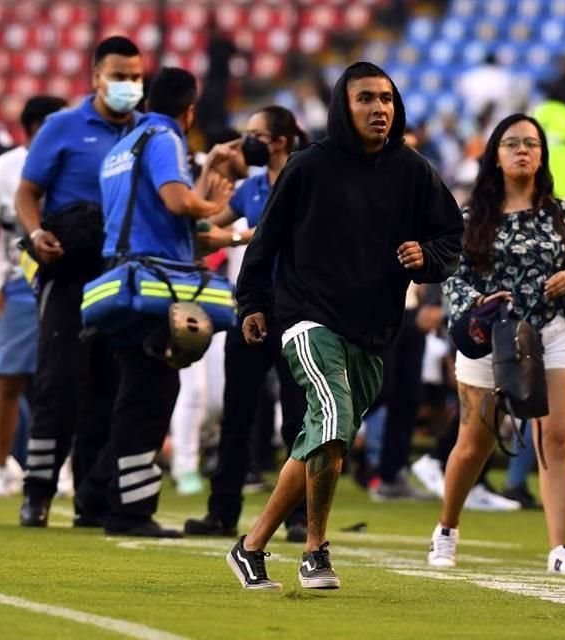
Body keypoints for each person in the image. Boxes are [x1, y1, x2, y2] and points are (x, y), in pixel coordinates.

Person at [227, 61, 463, 590]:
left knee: (322, 438)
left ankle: (250, 546)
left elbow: (452, 236)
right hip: (307, 317)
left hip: (372, 329)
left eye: (387, 99)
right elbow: (266, 241)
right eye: (366, 99)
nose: (380, 109)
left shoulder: (413, 169)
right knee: (331, 420)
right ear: (342, 105)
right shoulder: (309, 166)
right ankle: (315, 549)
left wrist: (424, 256)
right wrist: (254, 303)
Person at [427, 113, 565, 575]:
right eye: (513, 144)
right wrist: (477, 302)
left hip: (549, 331)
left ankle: (560, 548)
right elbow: (453, 279)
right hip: (491, 334)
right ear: (495, 156)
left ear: (543, 155)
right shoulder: (470, 215)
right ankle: (446, 528)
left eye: (532, 144)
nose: (524, 151)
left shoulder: (561, 214)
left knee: (555, 435)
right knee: (473, 443)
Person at [93, 66, 231, 537]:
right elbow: (175, 201)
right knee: (151, 396)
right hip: (153, 285)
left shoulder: (120, 147)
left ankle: (108, 496)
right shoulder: (164, 139)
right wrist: (211, 205)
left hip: (120, 278)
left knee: (131, 391)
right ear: (188, 110)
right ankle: (130, 511)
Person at [15, 36, 143, 527]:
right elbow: (28, 192)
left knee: (110, 387)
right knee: (59, 384)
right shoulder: (62, 127)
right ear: (95, 76)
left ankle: (93, 499)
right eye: (119, 75)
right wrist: (36, 231)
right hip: (68, 272)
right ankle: (38, 491)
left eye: (135, 77)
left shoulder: (148, 133)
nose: (128, 85)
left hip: (121, 276)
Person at [184, 105, 312, 540]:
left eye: (254, 134)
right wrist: (210, 174)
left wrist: (234, 236)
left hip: (298, 310)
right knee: (237, 414)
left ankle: (299, 516)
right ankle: (222, 512)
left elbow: (293, 236)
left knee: (297, 417)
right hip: (254, 308)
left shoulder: (305, 179)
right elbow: (201, 228)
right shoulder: (251, 187)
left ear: (279, 140)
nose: (246, 142)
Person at [0, 96, 68, 497]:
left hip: (70, 278)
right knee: (7, 378)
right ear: (34, 128)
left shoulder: (74, 161)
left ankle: (64, 469)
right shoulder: (1, 169)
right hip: (20, 282)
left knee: (66, 379)